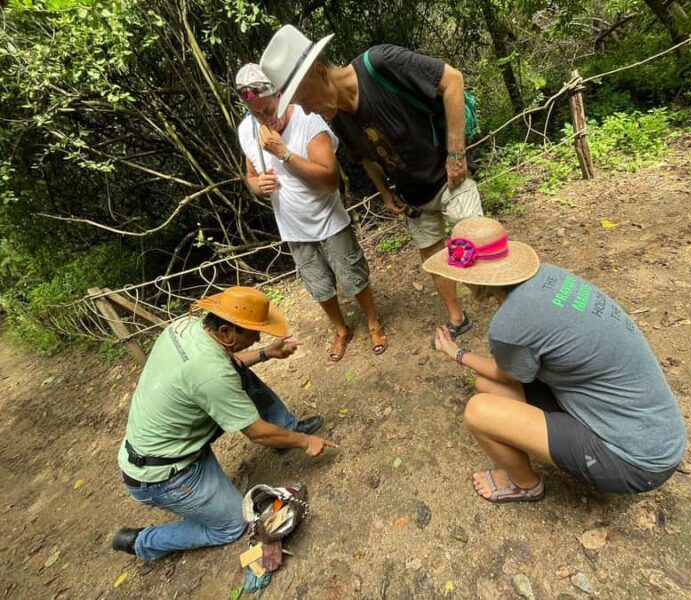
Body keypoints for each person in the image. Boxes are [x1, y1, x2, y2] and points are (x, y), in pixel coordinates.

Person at [426, 217, 687, 501]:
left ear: (471, 278)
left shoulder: (509, 324)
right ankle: (542, 443)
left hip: (636, 460)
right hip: (657, 431)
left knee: (478, 410)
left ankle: (525, 485)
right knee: (488, 387)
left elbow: (505, 375)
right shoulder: (548, 276)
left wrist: (456, 352)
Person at [259, 26, 483, 342]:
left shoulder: (380, 63)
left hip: (449, 177)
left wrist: (456, 152)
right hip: (413, 196)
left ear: (321, 73)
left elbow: (453, 80)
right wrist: (385, 192)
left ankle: (497, 297)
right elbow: (365, 157)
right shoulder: (337, 116)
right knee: (433, 257)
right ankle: (457, 317)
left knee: (472, 247)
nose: (307, 110)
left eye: (305, 99)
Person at [111, 286, 337, 560]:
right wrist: (306, 442)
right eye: (252, 332)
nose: (256, 337)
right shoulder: (211, 374)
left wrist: (266, 353)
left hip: (174, 441)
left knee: (239, 375)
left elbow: (225, 365)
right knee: (232, 526)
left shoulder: (189, 326)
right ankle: (142, 542)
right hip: (167, 474)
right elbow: (256, 433)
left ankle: (284, 432)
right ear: (226, 332)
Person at [235, 64, 387, 361]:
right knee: (318, 285)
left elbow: (330, 180)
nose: (266, 119)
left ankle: (372, 321)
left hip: (328, 220)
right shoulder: (246, 130)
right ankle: (341, 329)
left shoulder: (308, 118)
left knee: (353, 276)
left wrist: (284, 154)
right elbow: (250, 175)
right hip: (292, 227)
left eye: (269, 109)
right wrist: (256, 185)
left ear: (280, 95)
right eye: (257, 114)